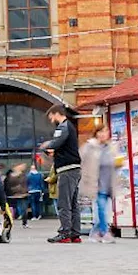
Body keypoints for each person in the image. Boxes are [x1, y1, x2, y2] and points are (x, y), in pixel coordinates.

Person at [39, 104, 82, 243]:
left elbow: (56, 143)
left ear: (56, 113)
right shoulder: (70, 127)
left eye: (51, 117)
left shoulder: (63, 127)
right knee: (73, 204)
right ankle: (75, 234)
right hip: (75, 169)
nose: (51, 120)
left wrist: (47, 146)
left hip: (67, 170)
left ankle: (65, 233)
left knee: (64, 203)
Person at [80, 125, 122, 242]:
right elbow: (83, 164)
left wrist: (118, 163)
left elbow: (115, 164)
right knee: (102, 209)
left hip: (108, 184)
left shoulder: (111, 147)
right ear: (96, 133)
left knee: (103, 211)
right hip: (96, 184)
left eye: (106, 131)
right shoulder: (90, 147)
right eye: (101, 131)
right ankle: (105, 232)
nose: (103, 134)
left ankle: (95, 233)